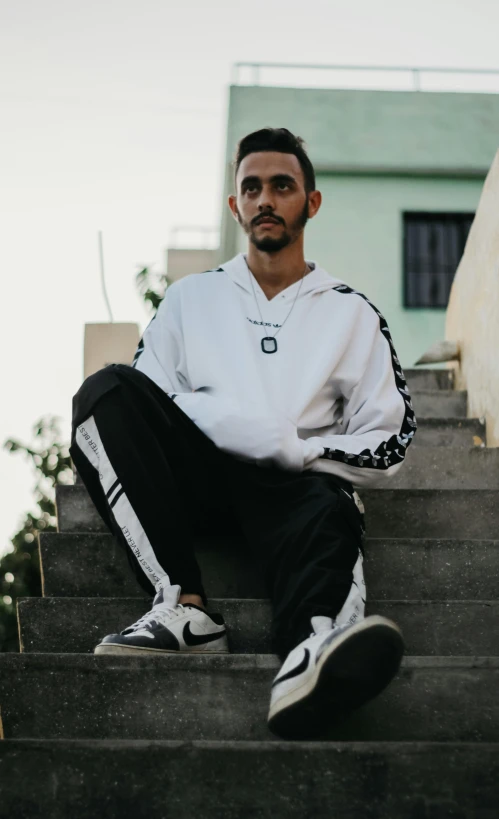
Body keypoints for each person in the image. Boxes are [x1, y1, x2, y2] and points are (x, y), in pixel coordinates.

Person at [69, 127, 416, 739]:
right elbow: (146, 402)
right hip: (199, 482)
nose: (265, 200)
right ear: (236, 206)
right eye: (251, 188)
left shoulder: (351, 311)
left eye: (282, 186)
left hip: (295, 488)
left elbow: (388, 438)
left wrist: (300, 450)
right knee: (106, 393)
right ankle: (186, 608)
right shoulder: (190, 298)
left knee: (328, 508)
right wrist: (235, 425)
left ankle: (312, 652)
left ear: (310, 202)